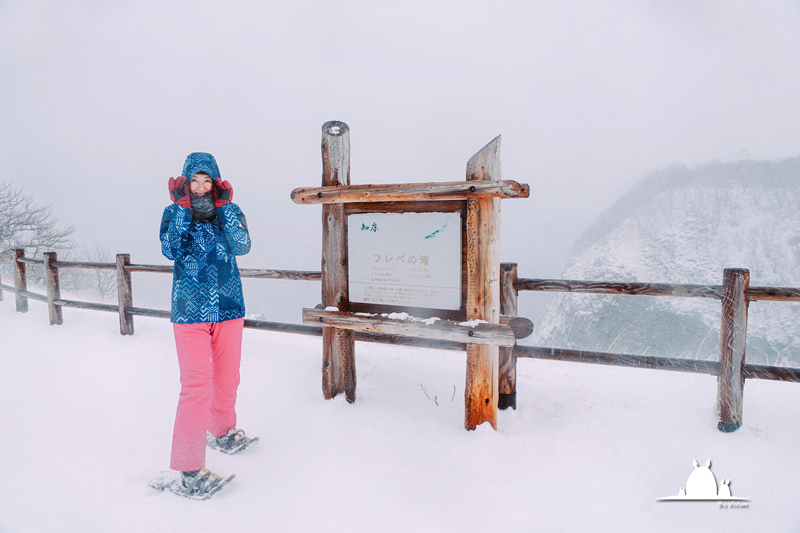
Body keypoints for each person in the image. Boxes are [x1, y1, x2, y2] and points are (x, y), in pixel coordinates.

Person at [160, 152, 254, 497]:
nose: (201, 187)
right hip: (189, 311)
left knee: (229, 377)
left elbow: (242, 246)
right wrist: (184, 210)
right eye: (195, 181)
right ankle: (188, 468)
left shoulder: (229, 212)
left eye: (207, 181)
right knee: (197, 387)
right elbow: (171, 250)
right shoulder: (173, 212)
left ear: (216, 183)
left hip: (229, 307)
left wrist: (226, 208)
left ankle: (223, 431)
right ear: (185, 182)